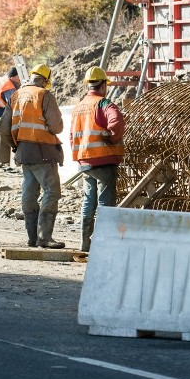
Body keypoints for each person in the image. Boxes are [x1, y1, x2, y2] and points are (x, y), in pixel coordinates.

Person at [0, 63, 65, 249]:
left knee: (29, 190)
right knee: (51, 191)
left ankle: (32, 237)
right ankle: (44, 237)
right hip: (43, 151)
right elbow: (56, 127)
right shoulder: (44, 95)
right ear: (45, 80)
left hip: (24, 152)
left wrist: (16, 145)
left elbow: (4, 128)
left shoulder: (15, 95)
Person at [69, 66, 126, 253]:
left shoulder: (78, 107)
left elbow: (72, 135)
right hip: (103, 161)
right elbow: (116, 121)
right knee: (105, 203)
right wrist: (111, 138)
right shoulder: (103, 104)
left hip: (85, 162)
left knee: (88, 201)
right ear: (102, 85)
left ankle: (85, 243)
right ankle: (103, 245)